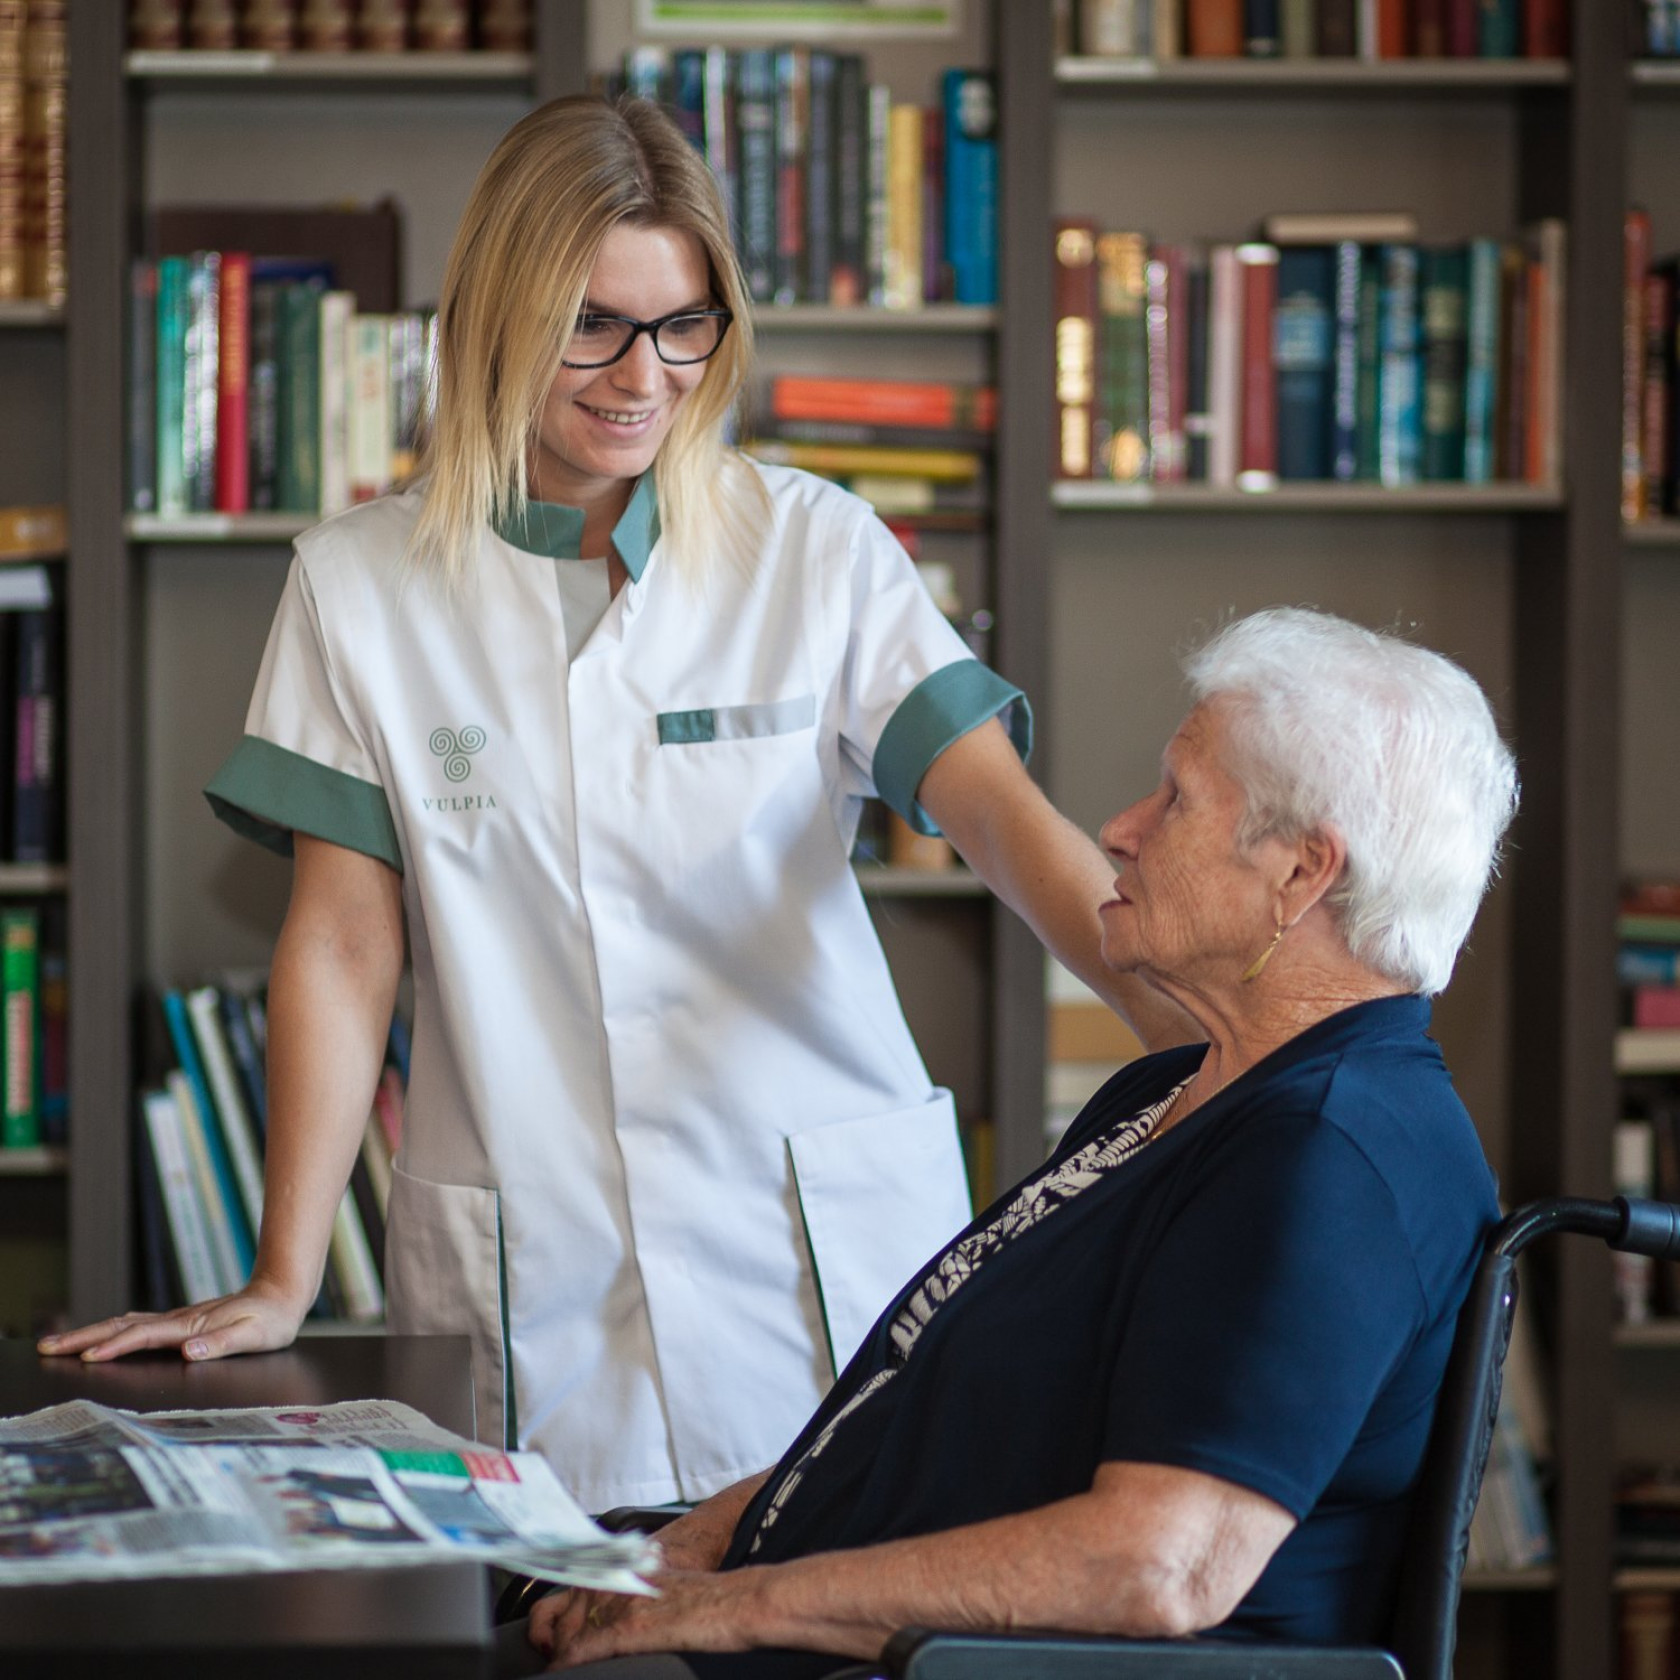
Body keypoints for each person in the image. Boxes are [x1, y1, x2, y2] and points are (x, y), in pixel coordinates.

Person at [38, 95, 1180, 1514]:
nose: (643, 376)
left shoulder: (810, 548)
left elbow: (1001, 817)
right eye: (594, 325)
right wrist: (285, 1273)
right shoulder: (359, 584)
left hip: (821, 1277)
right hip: (539, 1289)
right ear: (500, 315)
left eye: (684, 324)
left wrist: (1202, 1040)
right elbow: (341, 943)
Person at [502, 607, 1514, 1677]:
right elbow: (918, 1410)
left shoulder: (1330, 1157)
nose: (1120, 829)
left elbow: (1158, 1567)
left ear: (1302, 876)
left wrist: (734, 1606)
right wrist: (694, 1545)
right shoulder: (1179, 1091)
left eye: (1176, 798)